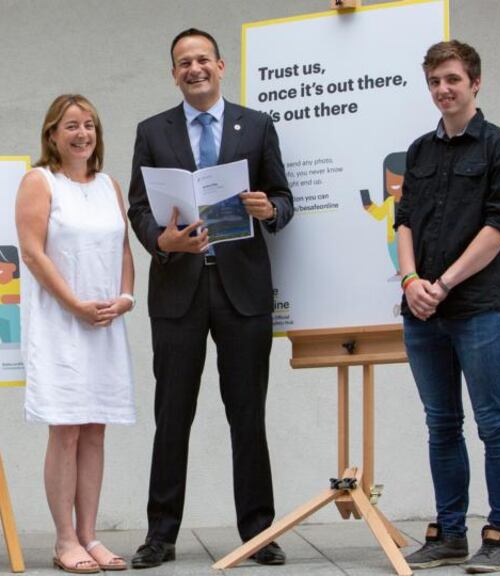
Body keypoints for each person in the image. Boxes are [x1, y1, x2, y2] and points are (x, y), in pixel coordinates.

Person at [126, 29, 293, 568]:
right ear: (173, 73)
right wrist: (160, 241)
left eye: (202, 59)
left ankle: (258, 532)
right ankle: (161, 534)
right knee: (172, 415)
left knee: (248, 415)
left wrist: (270, 211)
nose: (193, 68)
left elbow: (285, 198)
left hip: (241, 291)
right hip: (179, 289)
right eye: (182, 63)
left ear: (221, 66)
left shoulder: (257, 126)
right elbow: (138, 208)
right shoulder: (152, 131)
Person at [396, 40, 500, 574]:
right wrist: (410, 280)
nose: (442, 90)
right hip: (422, 313)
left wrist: (442, 284)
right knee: (441, 425)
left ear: (475, 83)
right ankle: (450, 533)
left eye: (452, 79)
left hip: (476, 308)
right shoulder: (419, 152)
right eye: (434, 82)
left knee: (493, 422)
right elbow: (402, 219)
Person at [16, 94, 136, 573]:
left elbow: (124, 249)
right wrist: (73, 304)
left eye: (89, 125)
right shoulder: (39, 181)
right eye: (71, 125)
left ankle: (90, 535)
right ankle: (64, 539)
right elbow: (32, 253)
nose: (81, 133)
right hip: (60, 323)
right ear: (52, 134)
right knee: (65, 428)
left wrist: (126, 297)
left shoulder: (109, 185)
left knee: (95, 428)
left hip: (104, 322)